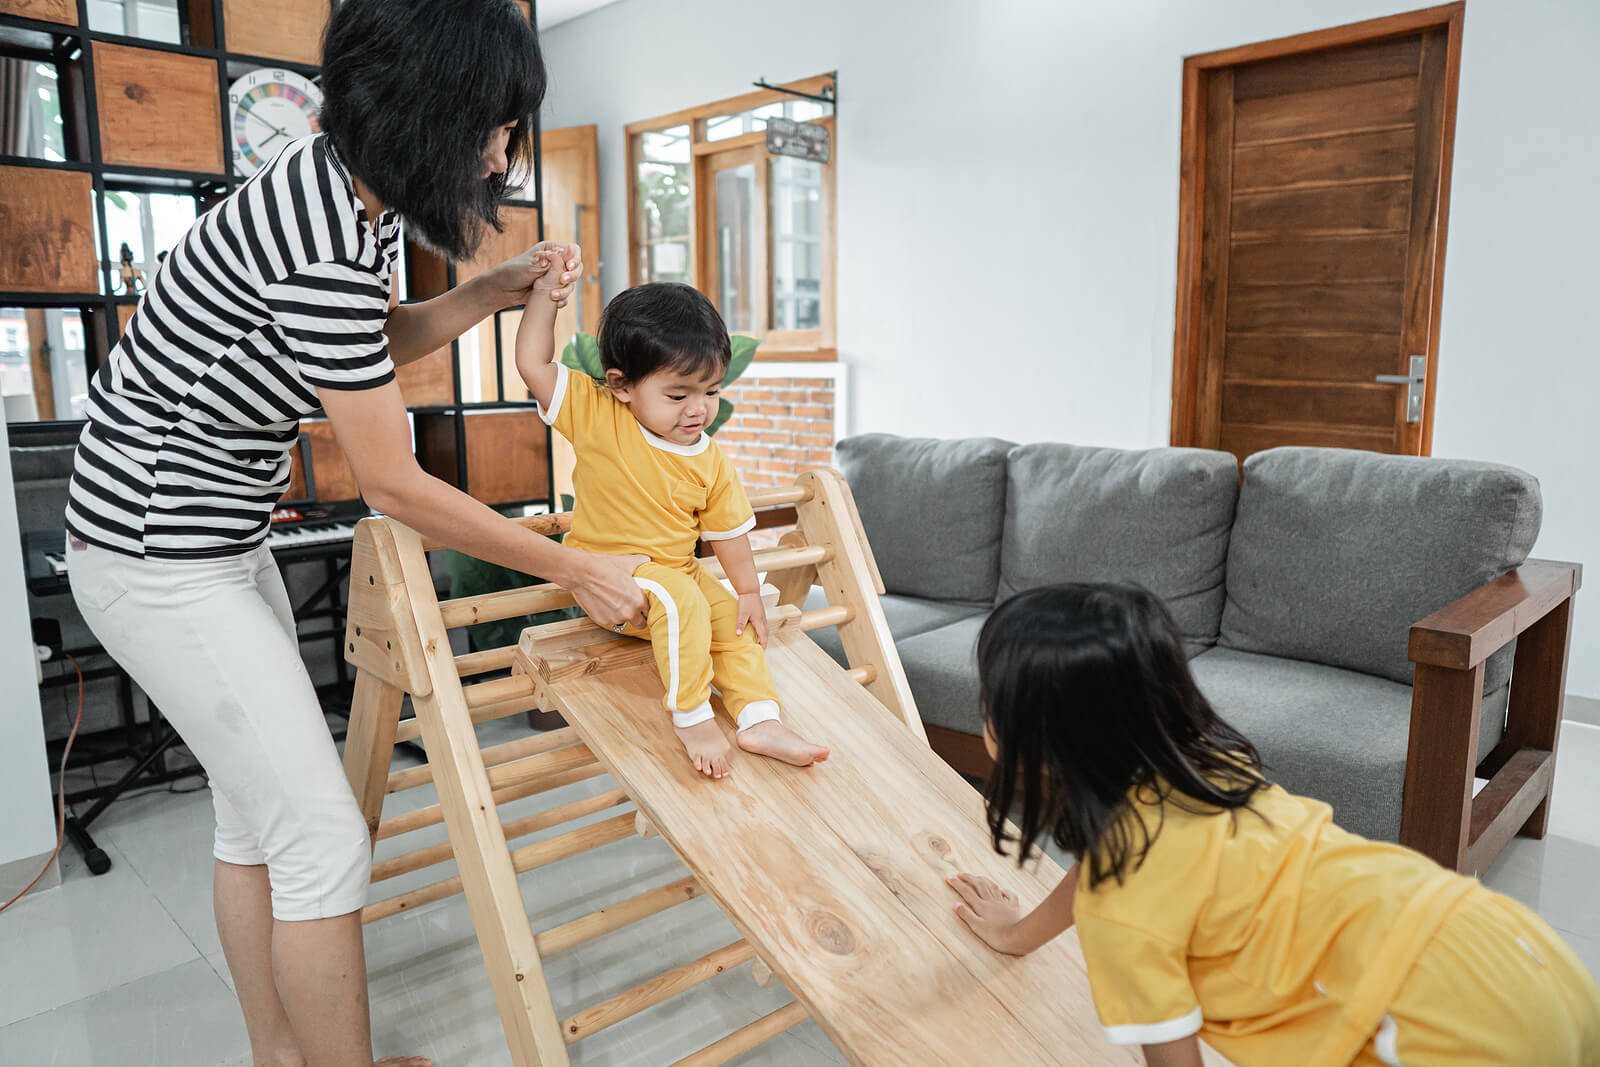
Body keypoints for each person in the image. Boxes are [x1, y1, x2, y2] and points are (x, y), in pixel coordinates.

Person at [62, 1, 649, 1064]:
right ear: (434, 112)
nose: (502, 152)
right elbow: (393, 481)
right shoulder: (322, 234)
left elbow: (368, 343)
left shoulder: (347, 195)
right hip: (155, 555)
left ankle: (285, 1056)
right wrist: (576, 565)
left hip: (209, 539)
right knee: (324, 839)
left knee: (259, 825)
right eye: (497, 125)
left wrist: (485, 290)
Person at [945, 583, 1600, 1067]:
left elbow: (1173, 1055)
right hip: (1514, 949)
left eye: (991, 701)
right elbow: (1106, 864)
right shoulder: (1208, 768)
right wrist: (1020, 933)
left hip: (1440, 1022)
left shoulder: (1122, 915)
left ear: (1041, 743)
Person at [514, 281, 829, 778]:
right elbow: (533, 363)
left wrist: (747, 590)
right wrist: (545, 299)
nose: (698, 409)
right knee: (682, 598)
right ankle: (692, 715)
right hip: (610, 581)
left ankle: (759, 719)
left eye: (711, 392)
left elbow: (727, 531)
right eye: (678, 394)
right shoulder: (596, 412)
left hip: (674, 573)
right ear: (621, 385)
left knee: (734, 624)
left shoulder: (710, 458)